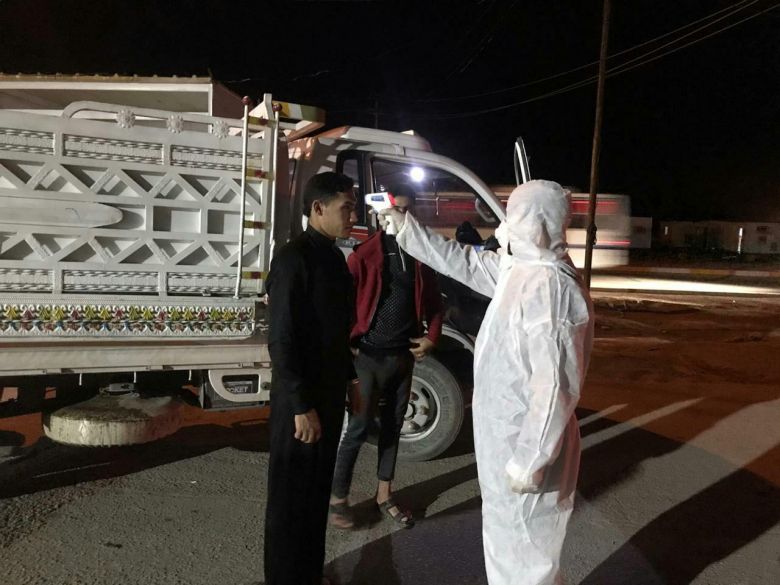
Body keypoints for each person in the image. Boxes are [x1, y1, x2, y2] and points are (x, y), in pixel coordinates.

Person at [382, 180, 594, 585]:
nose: (504, 225)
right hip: (507, 439)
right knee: (506, 543)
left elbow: (555, 386)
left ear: (533, 222)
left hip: (527, 447)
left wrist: (531, 459)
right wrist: (405, 227)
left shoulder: (552, 289)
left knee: (527, 552)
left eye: (513, 216)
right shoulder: (520, 271)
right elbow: (461, 262)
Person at [329, 184, 444, 530]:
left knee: (393, 427)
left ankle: (384, 495)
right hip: (367, 357)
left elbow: (435, 303)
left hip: (402, 358)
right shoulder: (363, 256)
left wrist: (432, 338)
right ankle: (338, 499)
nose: (401, 215)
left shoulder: (420, 256)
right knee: (358, 427)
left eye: (407, 209)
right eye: (396, 209)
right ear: (381, 213)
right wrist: (346, 344)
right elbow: (341, 304)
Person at [263, 172, 359, 585]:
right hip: (299, 403)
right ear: (318, 208)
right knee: (290, 501)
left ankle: (308, 574)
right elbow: (281, 340)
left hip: (329, 394)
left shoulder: (334, 259)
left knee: (316, 494)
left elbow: (335, 333)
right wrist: (301, 405)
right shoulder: (293, 259)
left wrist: (351, 382)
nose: (353, 216)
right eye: (346, 207)